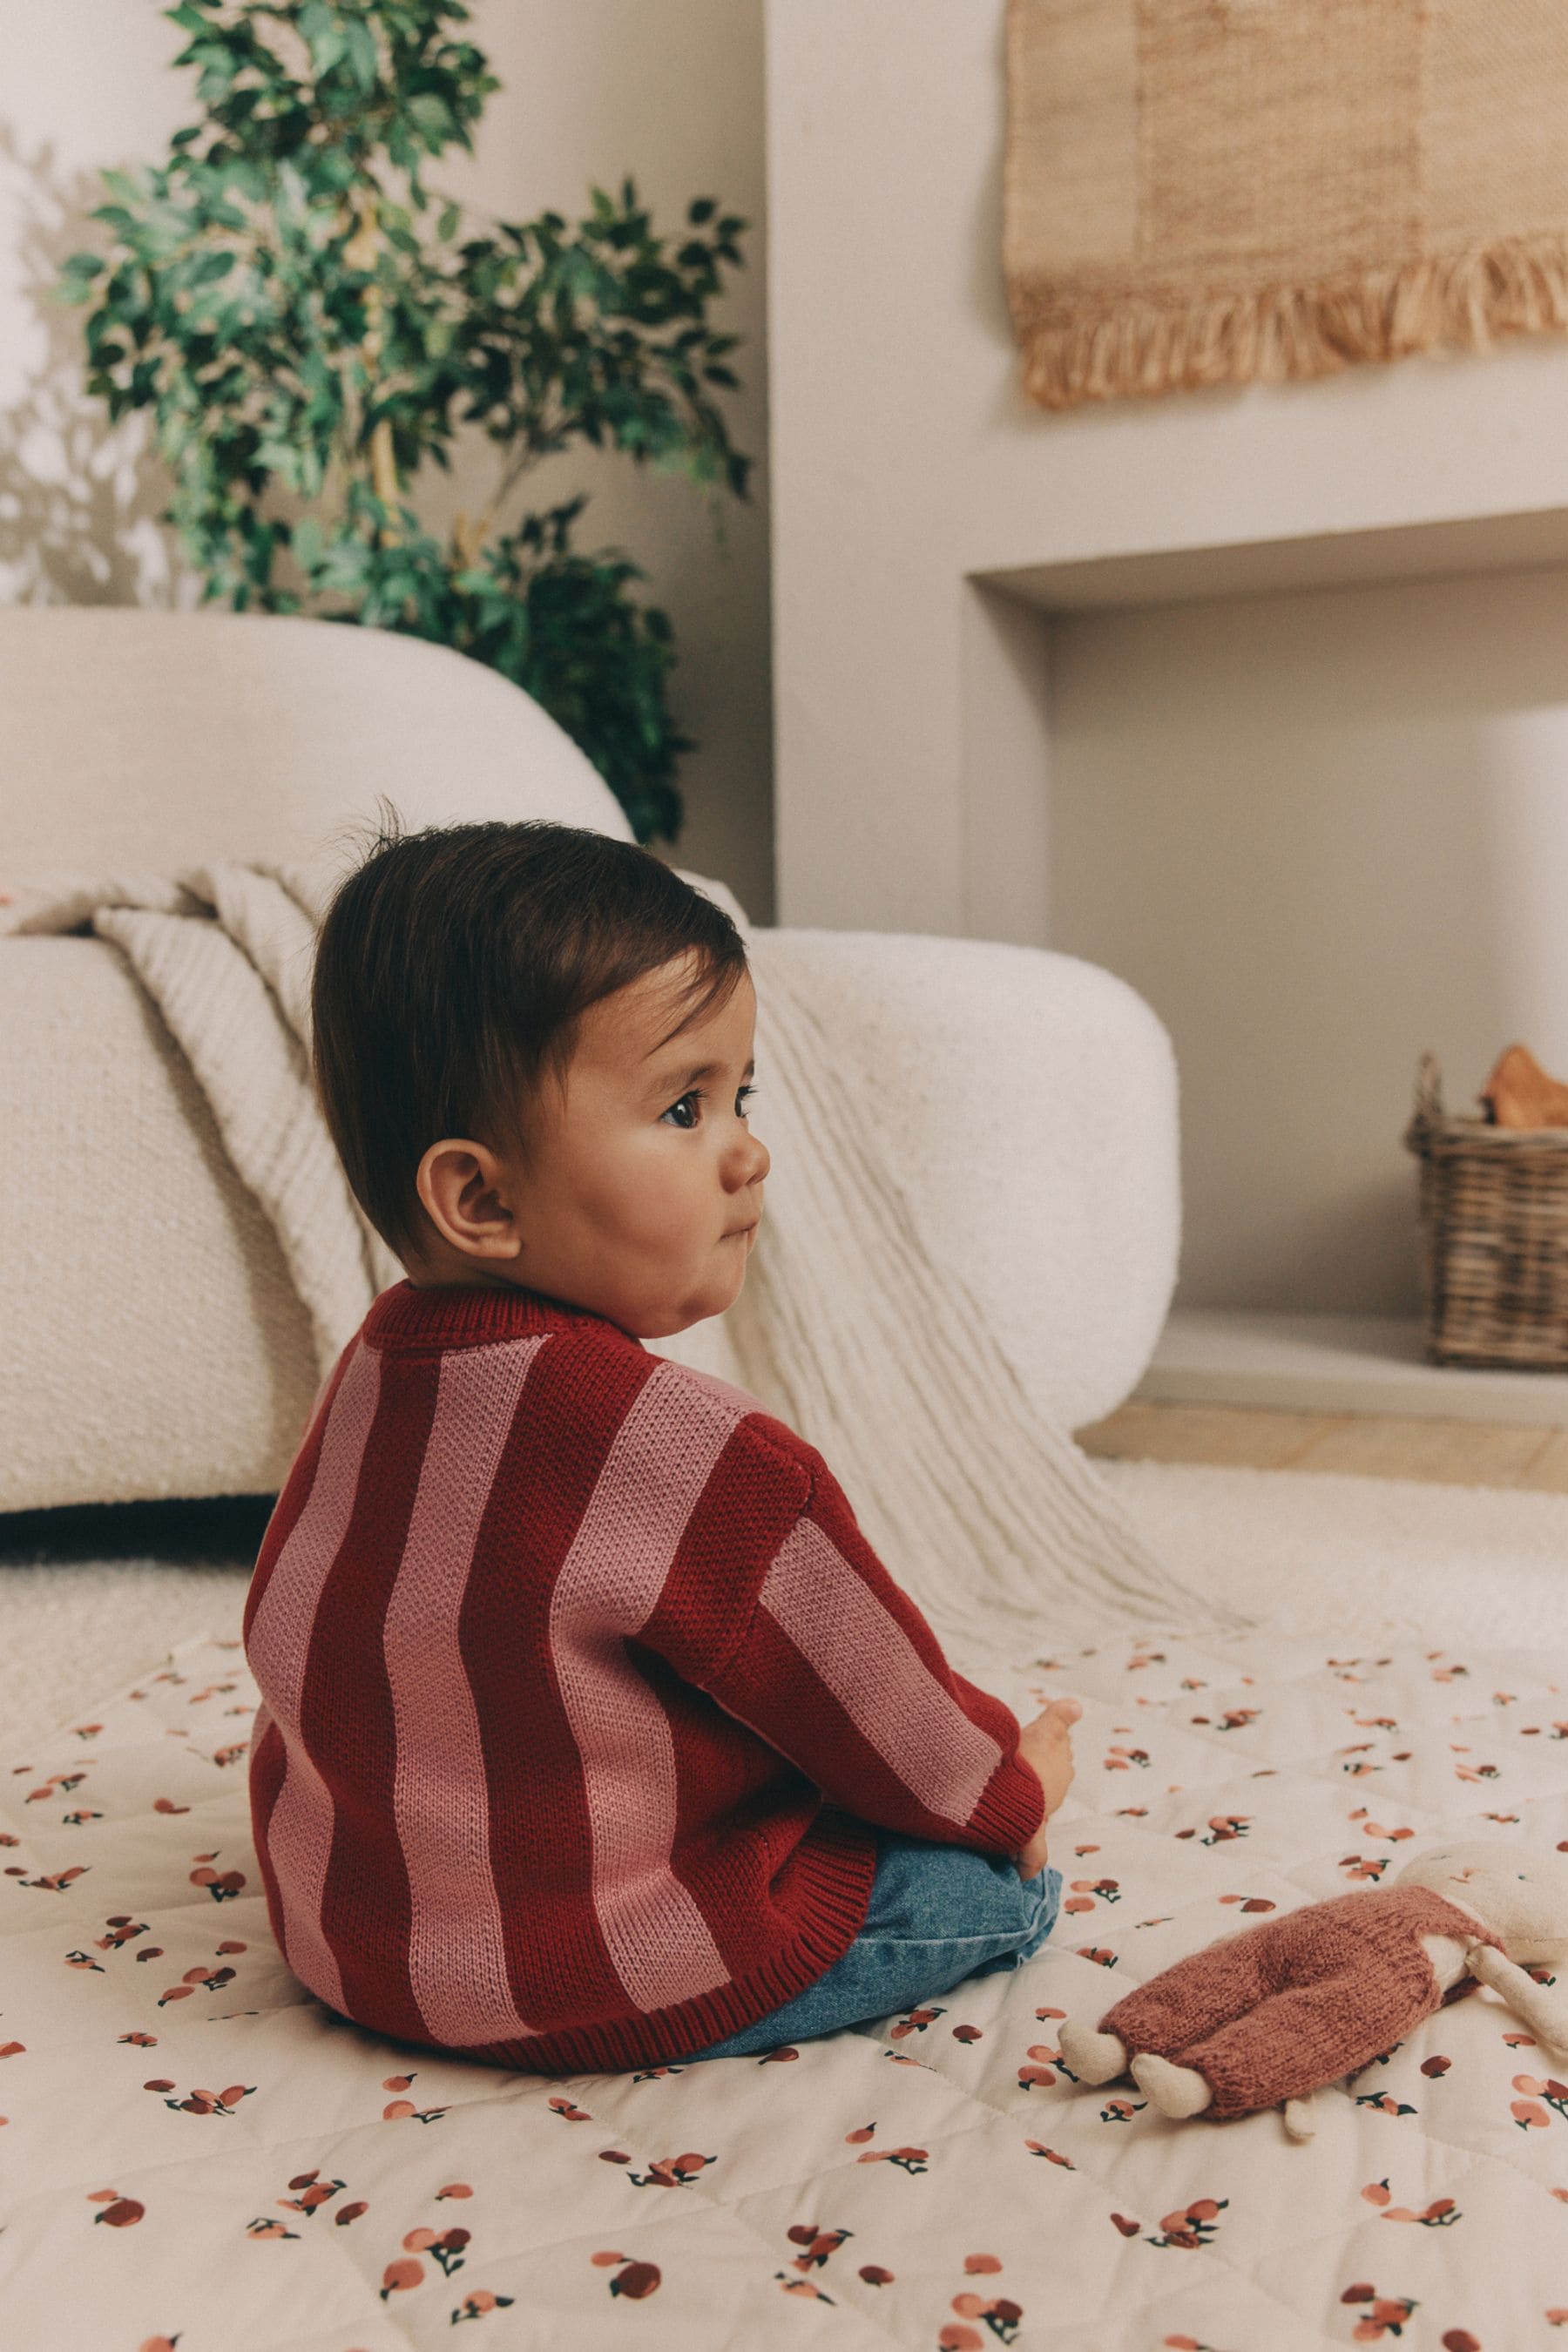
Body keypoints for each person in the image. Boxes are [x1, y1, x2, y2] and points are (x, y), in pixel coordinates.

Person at [243, 813, 1083, 2076]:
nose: (747, 1150)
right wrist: (1005, 1788)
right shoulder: (699, 1455)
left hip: (363, 1948)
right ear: (479, 1197)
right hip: (591, 1974)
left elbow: (302, 1632)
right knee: (981, 1890)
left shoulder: (371, 1370)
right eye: (683, 1106)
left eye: (740, 1096)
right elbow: (864, 1692)